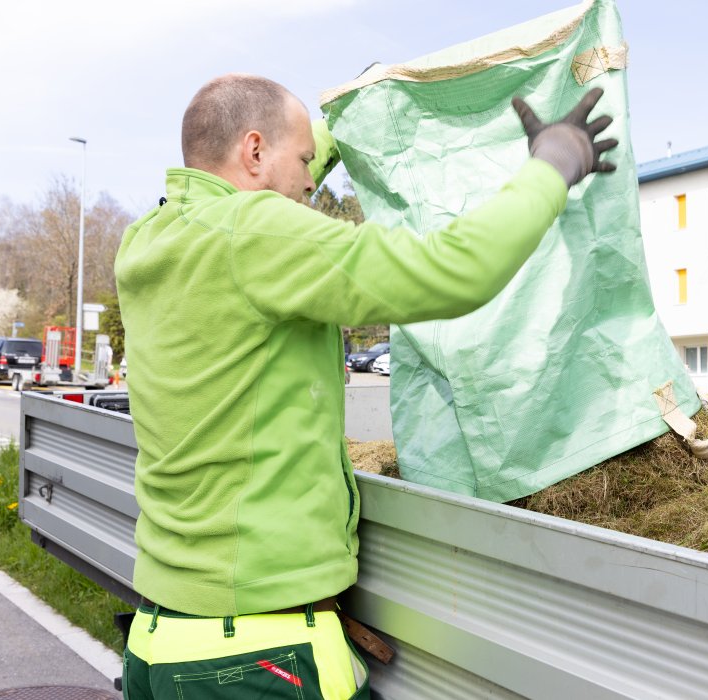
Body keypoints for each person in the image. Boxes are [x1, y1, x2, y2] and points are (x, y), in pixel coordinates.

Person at [115, 73, 616, 699]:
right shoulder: (256, 234)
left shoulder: (152, 237)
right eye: (302, 163)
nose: (309, 182)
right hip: (258, 662)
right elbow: (453, 271)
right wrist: (553, 164)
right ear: (252, 152)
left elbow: (275, 160)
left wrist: (356, 112)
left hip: (160, 641)